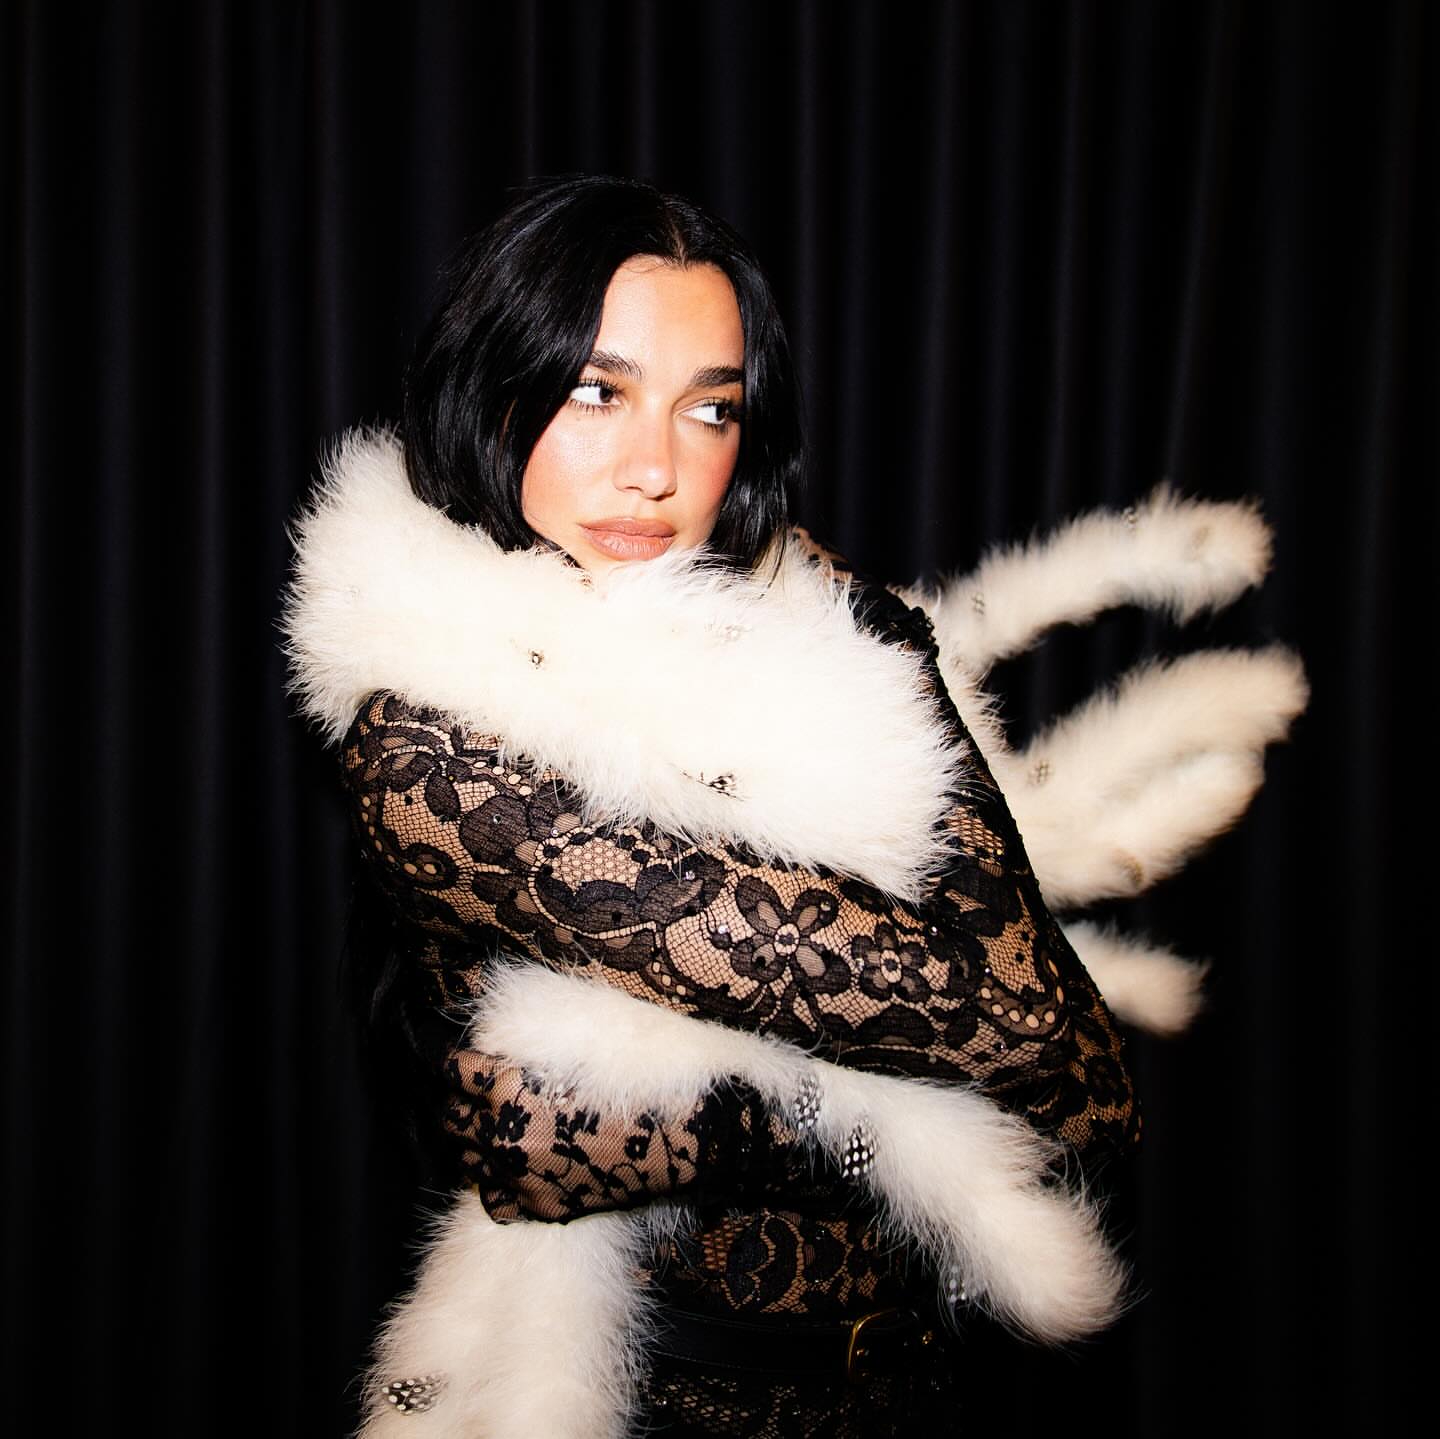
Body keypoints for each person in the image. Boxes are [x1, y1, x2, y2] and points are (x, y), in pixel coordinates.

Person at [284, 175, 1151, 1438]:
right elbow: (1014, 1031)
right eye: (598, 391)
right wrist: (845, 1120)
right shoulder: (434, 736)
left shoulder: (820, 646)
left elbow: (1083, 1075)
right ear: (496, 388)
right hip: (663, 1399)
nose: (655, 468)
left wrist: (687, 1131)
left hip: (916, 1386)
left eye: (710, 409)